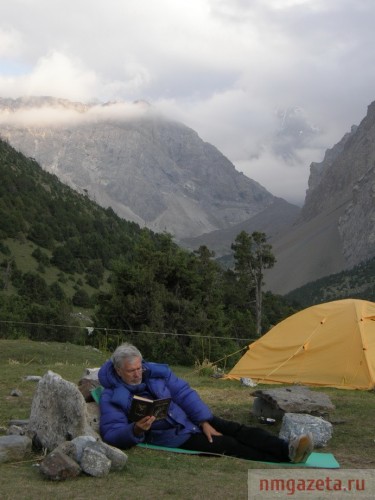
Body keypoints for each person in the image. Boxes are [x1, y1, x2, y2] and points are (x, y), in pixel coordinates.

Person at [98, 342, 313, 463]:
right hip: (172, 436)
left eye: (139, 368)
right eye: (131, 371)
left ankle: (287, 448)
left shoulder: (155, 373)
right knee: (227, 444)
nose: (138, 374)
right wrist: (135, 429)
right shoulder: (111, 396)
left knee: (237, 429)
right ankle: (284, 458)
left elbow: (184, 393)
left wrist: (203, 421)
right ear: (118, 371)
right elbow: (111, 432)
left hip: (189, 419)